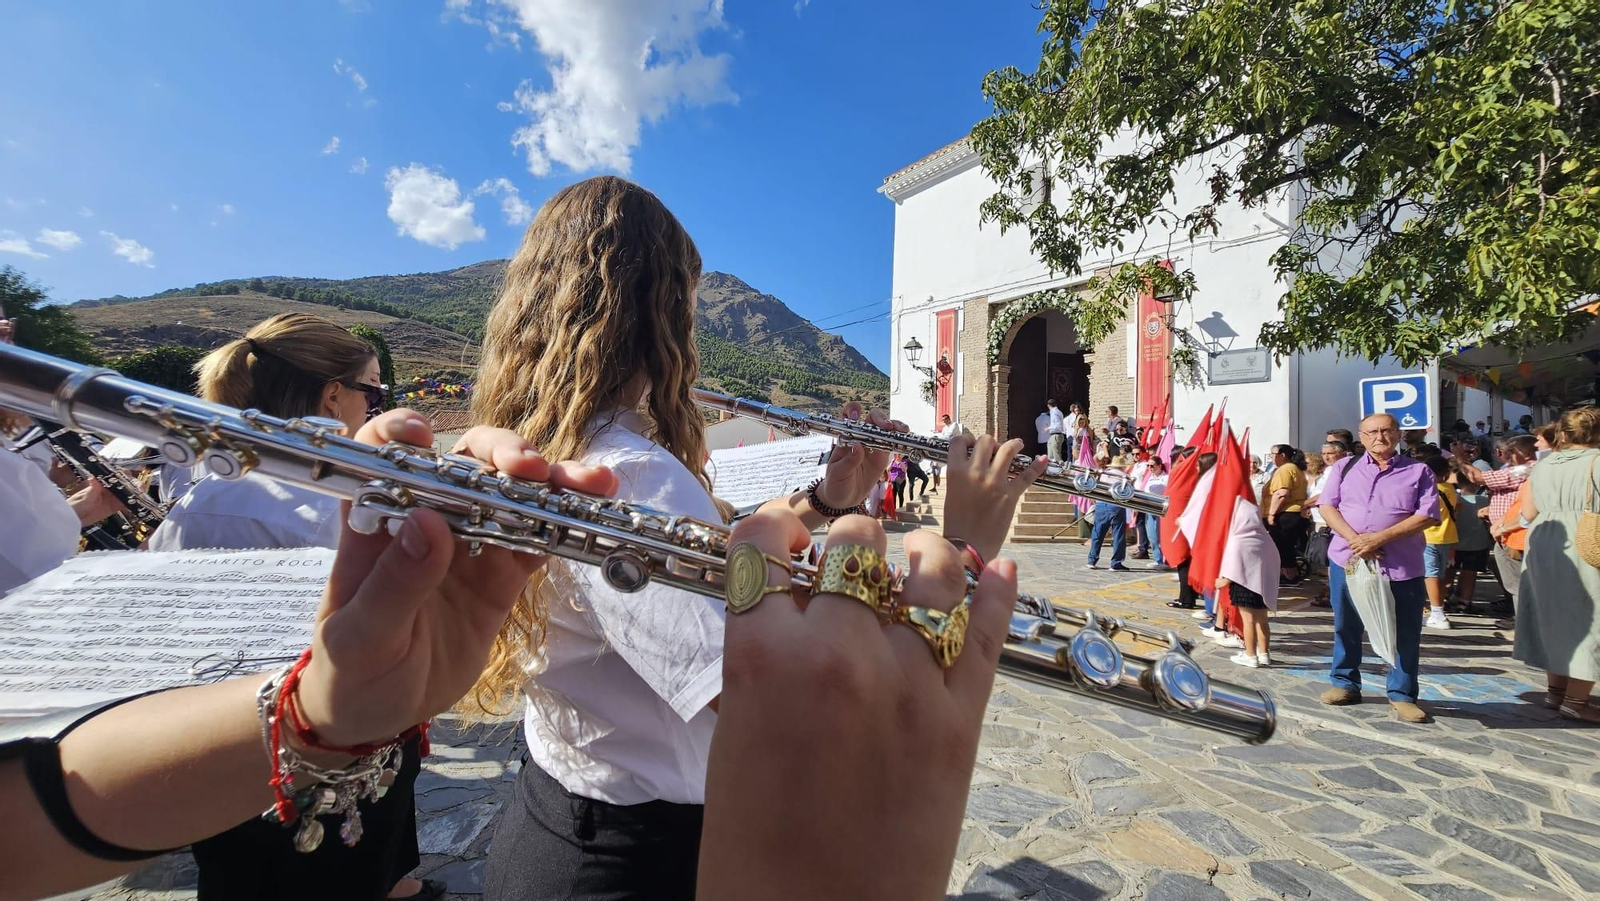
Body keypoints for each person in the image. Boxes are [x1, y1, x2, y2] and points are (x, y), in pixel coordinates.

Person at [468, 176, 1027, 900]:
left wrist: (825, 500)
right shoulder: (632, 473)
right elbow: (784, 702)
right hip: (634, 860)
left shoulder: (567, 447)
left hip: (558, 824)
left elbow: (710, 548)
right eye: (686, 315)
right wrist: (961, 544)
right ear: (656, 316)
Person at [139, 314, 435, 901]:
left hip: (217, 729)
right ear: (333, 394)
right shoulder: (350, 492)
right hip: (329, 732)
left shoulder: (201, 493)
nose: (375, 405)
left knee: (235, 873)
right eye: (373, 390)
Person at [1318, 412, 1440, 724]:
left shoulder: (1419, 471)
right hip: (1348, 560)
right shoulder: (1344, 468)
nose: (1379, 437)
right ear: (1361, 437)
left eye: (1386, 431)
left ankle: (1402, 694)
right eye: (1372, 432)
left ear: (1398, 435)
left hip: (1400, 566)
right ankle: (1344, 683)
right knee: (1346, 625)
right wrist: (1357, 540)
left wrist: (1380, 538)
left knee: (1405, 631)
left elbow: (1427, 514)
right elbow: (1327, 506)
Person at [1512, 408, 1600, 722]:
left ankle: (1555, 692)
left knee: (1553, 615)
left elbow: (1529, 511)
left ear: (1562, 433)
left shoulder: (1544, 466)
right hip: (1586, 541)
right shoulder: (1597, 462)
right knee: (1588, 620)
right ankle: (1576, 702)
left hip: (1545, 541)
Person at [1217, 477, 1281, 668]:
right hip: (1263, 585)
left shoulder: (1238, 539)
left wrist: (1224, 580)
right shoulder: (1265, 538)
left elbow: (1233, 563)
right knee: (1263, 620)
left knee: (1248, 621)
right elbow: (1274, 560)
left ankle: (1250, 654)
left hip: (1243, 584)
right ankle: (1264, 653)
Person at [1420, 455, 1458, 630]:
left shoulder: (1429, 490)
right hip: (1448, 536)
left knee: (1430, 575)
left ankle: (1437, 613)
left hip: (1429, 536)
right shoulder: (1449, 488)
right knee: (1439, 575)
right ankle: (1436, 608)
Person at [1261, 444, 1308, 584]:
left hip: (1286, 513)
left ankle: (1289, 576)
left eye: (1273, 453)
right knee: (1285, 545)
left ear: (1282, 455)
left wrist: (1271, 514)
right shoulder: (1293, 469)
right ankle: (1286, 574)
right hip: (1293, 513)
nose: (1271, 457)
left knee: (1283, 545)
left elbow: (1281, 493)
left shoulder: (1285, 469)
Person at [1450, 475, 1494, 613]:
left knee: (1450, 571)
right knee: (1470, 573)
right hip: (1478, 544)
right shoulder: (1484, 501)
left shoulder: (1455, 499)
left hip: (1455, 543)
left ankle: (1446, 596)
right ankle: (1465, 601)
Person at [1084, 453, 1130, 572]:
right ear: (1122, 466)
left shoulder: (1104, 473)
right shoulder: (1125, 476)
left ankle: (1092, 560)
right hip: (1116, 505)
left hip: (1101, 504)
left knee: (1098, 533)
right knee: (1118, 535)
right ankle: (1116, 563)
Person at [1140, 456, 1168, 570]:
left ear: (1159, 466)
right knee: (1152, 535)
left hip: (1161, 509)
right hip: (1149, 508)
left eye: (1152, 466)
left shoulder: (1166, 478)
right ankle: (1158, 558)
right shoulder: (1149, 478)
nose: (1150, 468)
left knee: (1162, 535)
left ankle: (1165, 559)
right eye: (1148, 466)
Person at [928, 413, 957, 494]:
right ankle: (935, 487)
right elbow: (942, 435)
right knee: (935, 471)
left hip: (954, 446)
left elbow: (948, 435)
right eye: (943, 420)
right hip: (945, 447)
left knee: (940, 470)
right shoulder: (944, 428)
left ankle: (939, 487)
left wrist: (938, 438)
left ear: (948, 419)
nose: (944, 422)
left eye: (945, 420)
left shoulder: (954, 425)